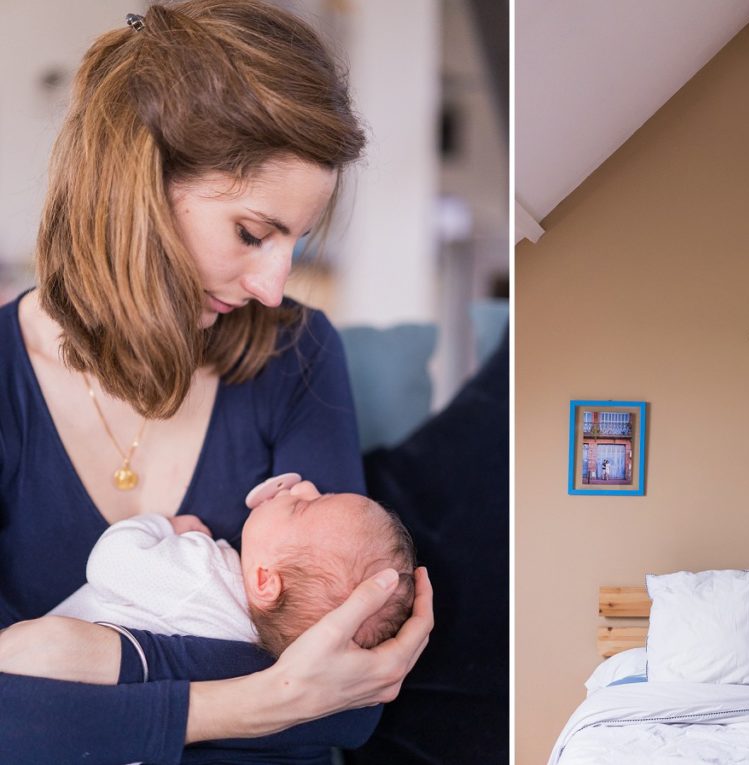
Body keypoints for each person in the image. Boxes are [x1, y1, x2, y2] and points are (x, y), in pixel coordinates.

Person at [0, 2, 433, 762]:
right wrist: (268, 697)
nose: (275, 286)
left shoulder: (296, 352)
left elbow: (351, 696)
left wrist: (95, 663)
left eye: (295, 242)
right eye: (252, 232)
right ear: (135, 187)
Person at [11, 477, 415, 658]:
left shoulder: (201, 576)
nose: (304, 485)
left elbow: (109, 563)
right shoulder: (247, 646)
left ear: (264, 581)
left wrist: (161, 526)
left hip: (28, 678)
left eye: (304, 504)